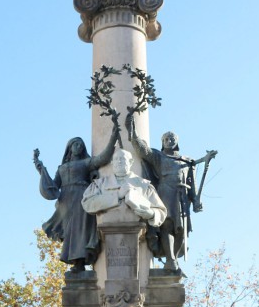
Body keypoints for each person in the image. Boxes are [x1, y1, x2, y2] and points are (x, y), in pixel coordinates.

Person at [126, 115, 217, 270]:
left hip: (181, 196)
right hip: (165, 193)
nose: (169, 140)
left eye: (172, 138)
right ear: (162, 142)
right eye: (166, 139)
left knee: (181, 230)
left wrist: (196, 201)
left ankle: (174, 257)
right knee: (166, 225)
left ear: (177, 141)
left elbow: (192, 185)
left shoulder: (187, 161)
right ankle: (170, 259)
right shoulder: (159, 157)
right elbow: (143, 150)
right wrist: (133, 133)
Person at [33, 131, 117, 271]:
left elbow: (103, 158)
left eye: (81, 145)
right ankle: (74, 260)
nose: (79, 146)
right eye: (76, 144)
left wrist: (113, 138)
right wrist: (41, 169)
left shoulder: (86, 162)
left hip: (81, 198)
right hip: (65, 202)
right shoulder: (61, 168)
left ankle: (79, 262)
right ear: (69, 147)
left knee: (80, 229)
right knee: (69, 231)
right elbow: (54, 186)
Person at [81, 147, 166, 227]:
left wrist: (151, 214)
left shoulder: (144, 185)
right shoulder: (99, 184)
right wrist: (117, 196)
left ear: (131, 162)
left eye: (123, 159)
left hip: (137, 232)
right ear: (112, 163)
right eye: (116, 159)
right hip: (106, 231)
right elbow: (87, 203)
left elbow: (161, 211)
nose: (119, 161)